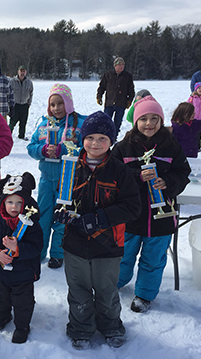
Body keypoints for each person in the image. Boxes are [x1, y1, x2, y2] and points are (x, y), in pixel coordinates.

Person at [54, 111, 141, 350]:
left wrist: (100, 218)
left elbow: (132, 206)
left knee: (106, 289)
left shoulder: (119, 171)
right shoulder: (70, 167)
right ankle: (81, 327)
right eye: (90, 137)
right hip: (74, 243)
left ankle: (111, 324)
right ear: (82, 139)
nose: (95, 143)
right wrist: (60, 211)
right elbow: (61, 198)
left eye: (102, 138)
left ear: (111, 141)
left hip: (108, 244)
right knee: (79, 289)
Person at [111, 96, 190, 314]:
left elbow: (184, 173)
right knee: (123, 254)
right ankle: (116, 281)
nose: (149, 123)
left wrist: (169, 182)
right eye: (144, 118)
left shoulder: (171, 146)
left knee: (153, 259)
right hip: (130, 216)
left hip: (161, 217)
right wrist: (136, 176)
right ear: (135, 121)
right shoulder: (123, 147)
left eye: (155, 118)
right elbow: (112, 174)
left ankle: (144, 294)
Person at [27, 83, 86, 269]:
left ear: (68, 103)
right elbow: (31, 147)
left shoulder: (79, 125)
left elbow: (86, 149)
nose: (56, 108)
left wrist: (64, 149)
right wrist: (42, 150)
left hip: (68, 180)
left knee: (62, 217)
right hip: (46, 179)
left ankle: (58, 253)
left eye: (60, 103)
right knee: (42, 216)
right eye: (52, 104)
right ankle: (39, 250)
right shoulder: (44, 125)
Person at [0, 172, 43, 344]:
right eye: (10, 202)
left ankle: (22, 326)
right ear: (3, 203)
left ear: (27, 204)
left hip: (23, 275)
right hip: (2, 273)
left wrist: (17, 249)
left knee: (23, 304)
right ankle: (2, 316)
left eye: (19, 203)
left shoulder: (32, 225)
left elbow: (36, 247)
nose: (14, 206)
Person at [96, 56, 135, 142]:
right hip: (109, 103)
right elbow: (102, 87)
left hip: (121, 104)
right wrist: (99, 96)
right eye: (119, 65)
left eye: (123, 65)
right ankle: (105, 137)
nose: (121, 66)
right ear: (115, 66)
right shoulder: (108, 75)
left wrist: (129, 101)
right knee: (106, 122)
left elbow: (131, 90)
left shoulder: (127, 76)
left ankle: (114, 138)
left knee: (117, 122)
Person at [9, 65, 33, 140]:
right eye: (21, 71)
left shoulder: (29, 82)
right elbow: (8, 93)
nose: (22, 73)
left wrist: (29, 103)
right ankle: (7, 136)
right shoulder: (12, 81)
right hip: (15, 105)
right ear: (18, 72)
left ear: (25, 72)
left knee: (23, 123)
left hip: (24, 105)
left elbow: (31, 93)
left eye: (23, 71)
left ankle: (21, 137)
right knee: (12, 123)